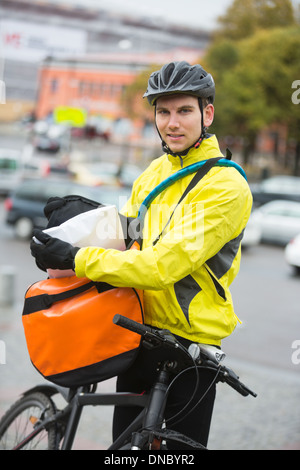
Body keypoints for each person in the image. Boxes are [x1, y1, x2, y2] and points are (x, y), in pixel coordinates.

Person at [30, 61, 253, 449]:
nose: (172, 123)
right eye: (163, 111)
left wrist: (77, 259)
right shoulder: (153, 173)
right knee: (125, 450)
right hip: (137, 335)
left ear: (207, 113)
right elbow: (131, 236)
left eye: (184, 110)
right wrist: (73, 230)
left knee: (180, 453)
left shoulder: (226, 186)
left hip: (190, 350)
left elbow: (161, 265)